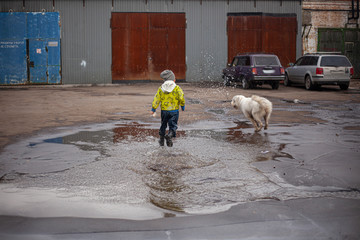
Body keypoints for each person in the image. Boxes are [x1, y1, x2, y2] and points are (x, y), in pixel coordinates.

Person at [151, 70, 185, 147]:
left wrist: (153, 108)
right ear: (173, 80)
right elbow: (181, 97)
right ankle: (169, 135)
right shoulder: (177, 88)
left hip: (164, 111)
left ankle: (161, 139)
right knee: (173, 125)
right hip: (174, 111)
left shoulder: (161, 88)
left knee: (163, 124)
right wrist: (182, 105)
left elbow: (156, 98)